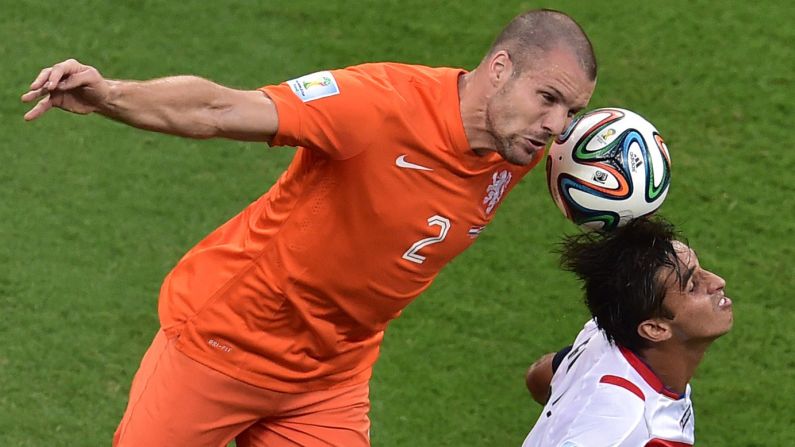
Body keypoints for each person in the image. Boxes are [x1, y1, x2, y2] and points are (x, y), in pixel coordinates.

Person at [22, 9, 597, 447]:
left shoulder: (518, 148)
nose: (555, 127)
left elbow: (608, 175)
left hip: (329, 378)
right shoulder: (375, 106)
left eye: (569, 113)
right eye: (547, 99)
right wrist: (110, 95)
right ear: (499, 69)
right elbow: (220, 110)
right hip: (221, 345)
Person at [522, 218, 733, 447]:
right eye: (692, 286)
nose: (717, 282)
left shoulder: (601, 336)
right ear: (655, 328)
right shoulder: (629, 425)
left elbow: (539, 377)